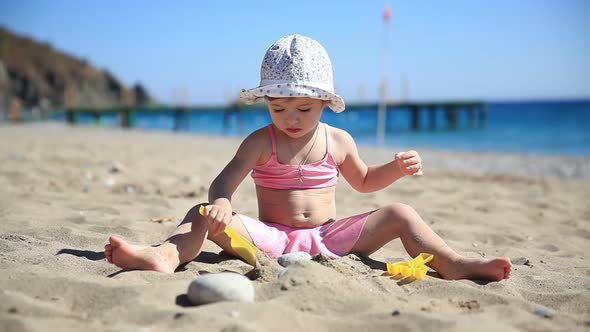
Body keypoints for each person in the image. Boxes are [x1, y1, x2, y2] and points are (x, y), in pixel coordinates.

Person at [105, 35, 512, 281]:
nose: (291, 119)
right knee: (200, 210)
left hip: (330, 238)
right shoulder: (260, 142)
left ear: (323, 102)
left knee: (402, 213)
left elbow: (365, 181)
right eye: (279, 108)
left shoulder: (338, 140)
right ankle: (166, 255)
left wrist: (396, 169)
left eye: (303, 108)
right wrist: (223, 204)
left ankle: (453, 263)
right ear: (266, 102)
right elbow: (224, 181)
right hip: (271, 238)